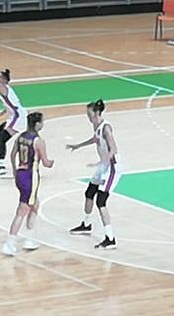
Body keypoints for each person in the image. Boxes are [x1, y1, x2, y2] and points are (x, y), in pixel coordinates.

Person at [67, 99, 120, 250]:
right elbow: (96, 139)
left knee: (101, 201)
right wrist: (78, 146)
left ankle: (110, 238)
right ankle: (87, 224)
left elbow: (114, 149)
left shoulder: (106, 128)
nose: (88, 117)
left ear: (96, 112)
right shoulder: (97, 126)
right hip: (104, 166)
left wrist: (102, 162)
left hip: (112, 168)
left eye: (89, 114)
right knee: (89, 193)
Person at [3, 112, 54, 256]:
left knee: (35, 205)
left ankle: (30, 239)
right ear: (37, 124)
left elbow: (12, 154)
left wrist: (14, 170)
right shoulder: (38, 141)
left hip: (20, 174)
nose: (43, 124)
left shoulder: (20, 137)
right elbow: (46, 162)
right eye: (42, 122)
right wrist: (52, 163)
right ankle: (10, 243)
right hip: (31, 177)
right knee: (22, 210)